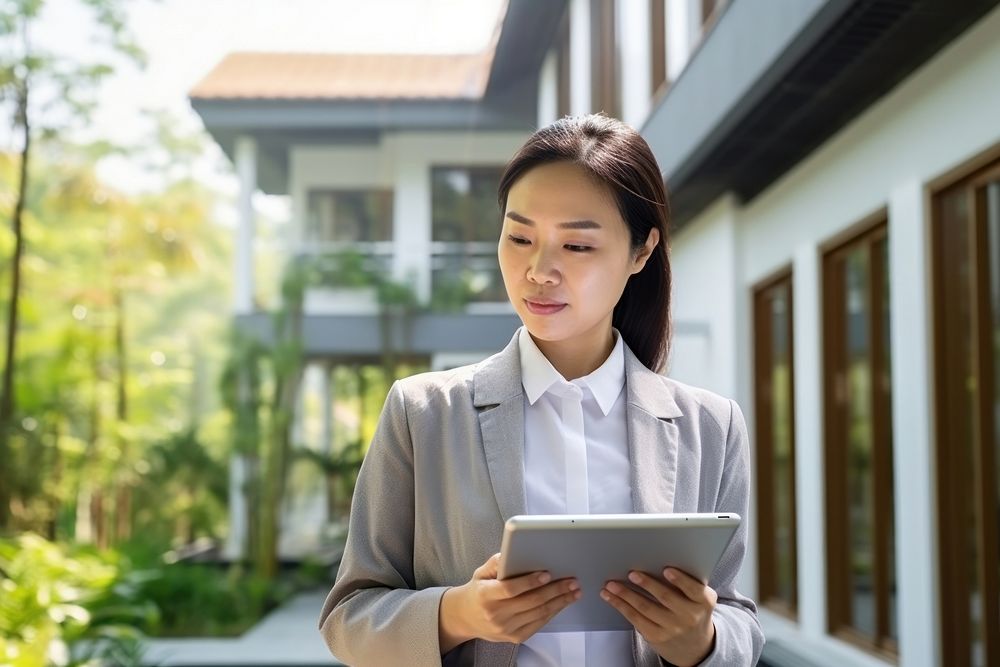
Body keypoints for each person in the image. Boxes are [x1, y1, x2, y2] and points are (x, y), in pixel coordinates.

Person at [318, 114, 764, 666]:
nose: (538, 270)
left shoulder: (711, 426)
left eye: (576, 246)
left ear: (641, 252)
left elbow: (737, 614)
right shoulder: (423, 413)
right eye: (520, 237)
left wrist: (701, 642)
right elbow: (349, 619)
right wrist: (460, 614)